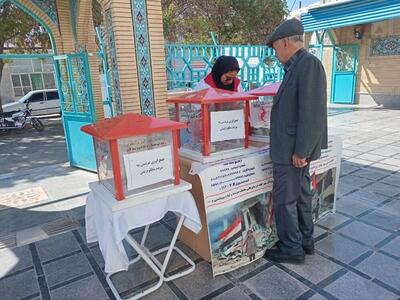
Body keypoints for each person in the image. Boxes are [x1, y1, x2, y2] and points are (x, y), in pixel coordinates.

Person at [263, 18, 328, 264]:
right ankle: (305, 240)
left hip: (293, 150)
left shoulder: (307, 65)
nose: (276, 53)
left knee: (285, 200)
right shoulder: (297, 66)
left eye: (276, 47)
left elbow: (312, 113)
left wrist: (302, 150)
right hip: (293, 148)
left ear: (286, 42)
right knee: (300, 196)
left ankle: (291, 247)